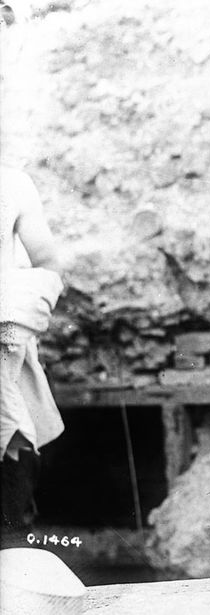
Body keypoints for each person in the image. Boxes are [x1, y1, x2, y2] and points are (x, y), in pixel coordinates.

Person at [0, 169, 64, 547]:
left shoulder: (11, 183)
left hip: (3, 339)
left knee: (13, 431)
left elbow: (47, 263)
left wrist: (19, 312)